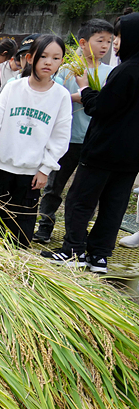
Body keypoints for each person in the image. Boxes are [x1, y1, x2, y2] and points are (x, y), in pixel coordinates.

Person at [41, 14, 139, 271]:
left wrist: (85, 89)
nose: (114, 43)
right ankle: (99, 256)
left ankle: (73, 251)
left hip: (103, 149)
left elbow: (102, 108)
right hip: (131, 156)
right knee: (114, 204)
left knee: (80, 200)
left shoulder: (126, 71)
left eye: (118, 37)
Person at [0, 35, 72, 248]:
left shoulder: (61, 96)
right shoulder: (13, 88)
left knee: (22, 226)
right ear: (30, 58)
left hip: (31, 174)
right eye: (43, 56)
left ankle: (16, 266)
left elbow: (60, 137)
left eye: (56, 58)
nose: (49, 62)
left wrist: (45, 169)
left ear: (62, 61)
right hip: (1, 167)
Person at [34, 19, 115, 243]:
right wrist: (80, 96)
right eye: (100, 40)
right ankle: (44, 227)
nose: (105, 46)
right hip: (67, 140)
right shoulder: (67, 70)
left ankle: (77, 233)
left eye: (109, 41)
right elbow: (52, 98)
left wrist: (89, 96)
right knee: (54, 187)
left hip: (94, 141)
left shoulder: (111, 72)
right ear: (82, 42)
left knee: (87, 192)